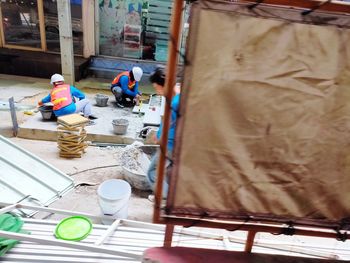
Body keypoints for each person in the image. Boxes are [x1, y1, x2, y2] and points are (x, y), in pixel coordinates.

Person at [147, 67, 181, 202]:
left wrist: (160, 138)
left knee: (152, 172)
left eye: (158, 88)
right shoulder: (178, 93)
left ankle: (164, 199)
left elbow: (169, 124)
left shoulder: (175, 103)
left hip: (170, 145)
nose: (158, 92)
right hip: (174, 143)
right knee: (170, 172)